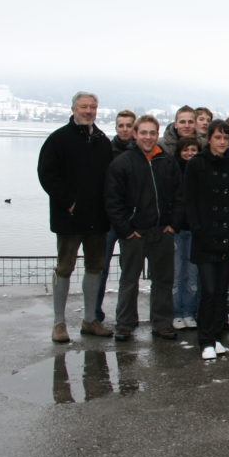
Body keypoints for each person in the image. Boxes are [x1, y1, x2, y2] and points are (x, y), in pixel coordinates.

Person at [37, 91, 114, 343]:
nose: (88, 111)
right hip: (69, 218)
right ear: (73, 109)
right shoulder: (58, 139)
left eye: (92, 107)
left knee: (95, 267)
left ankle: (90, 319)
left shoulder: (102, 141)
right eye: (84, 107)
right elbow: (46, 173)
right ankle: (59, 324)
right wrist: (67, 201)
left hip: (97, 218)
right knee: (64, 268)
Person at [105, 115, 181, 342]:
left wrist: (173, 224)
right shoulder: (123, 162)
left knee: (163, 280)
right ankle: (125, 324)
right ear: (135, 134)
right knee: (129, 280)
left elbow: (180, 196)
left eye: (152, 133)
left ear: (157, 135)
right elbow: (112, 200)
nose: (148, 137)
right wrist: (126, 229)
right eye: (144, 133)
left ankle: (162, 323)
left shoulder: (167, 161)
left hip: (162, 231)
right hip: (134, 233)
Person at [181, 119, 229, 360]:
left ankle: (217, 336)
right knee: (207, 289)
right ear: (209, 139)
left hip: (227, 236)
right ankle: (205, 338)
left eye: (225, 138)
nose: (221, 142)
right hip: (205, 237)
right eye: (217, 137)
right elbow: (190, 200)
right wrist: (198, 228)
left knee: (220, 290)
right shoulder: (196, 164)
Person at [95, 109, 137, 323]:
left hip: (132, 218)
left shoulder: (140, 153)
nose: (124, 129)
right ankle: (94, 313)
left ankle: (125, 317)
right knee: (101, 268)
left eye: (128, 125)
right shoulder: (106, 151)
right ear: (116, 127)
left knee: (129, 271)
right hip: (109, 219)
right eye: (121, 125)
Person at [172, 136, 200, 329]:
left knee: (192, 273)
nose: (189, 153)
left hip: (195, 229)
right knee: (175, 272)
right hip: (176, 228)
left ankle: (189, 311)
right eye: (185, 149)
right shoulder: (172, 170)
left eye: (193, 149)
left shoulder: (201, 171)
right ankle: (175, 312)